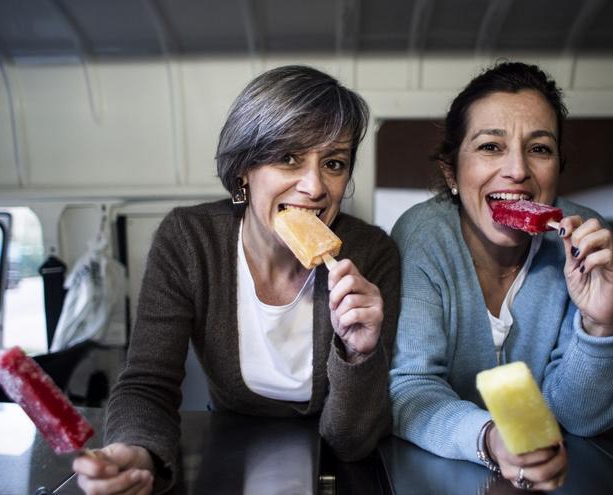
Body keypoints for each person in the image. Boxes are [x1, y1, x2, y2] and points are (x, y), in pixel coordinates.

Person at [73, 65, 400, 494]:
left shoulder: (372, 255)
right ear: (244, 168)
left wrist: (358, 355)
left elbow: (351, 440)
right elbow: (148, 382)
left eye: (334, 163)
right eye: (289, 158)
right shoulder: (189, 240)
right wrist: (138, 450)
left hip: (336, 465)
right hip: (228, 451)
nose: (315, 186)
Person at [389, 61, 613, 492]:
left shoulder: (581, 241)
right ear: (452, 173)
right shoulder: (422, 237)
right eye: (490, 147)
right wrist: (489, 439)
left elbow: (581, 419)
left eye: (539, 149)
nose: (518, 170)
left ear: (557, 167)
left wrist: (600, 324)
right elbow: (410, 389)